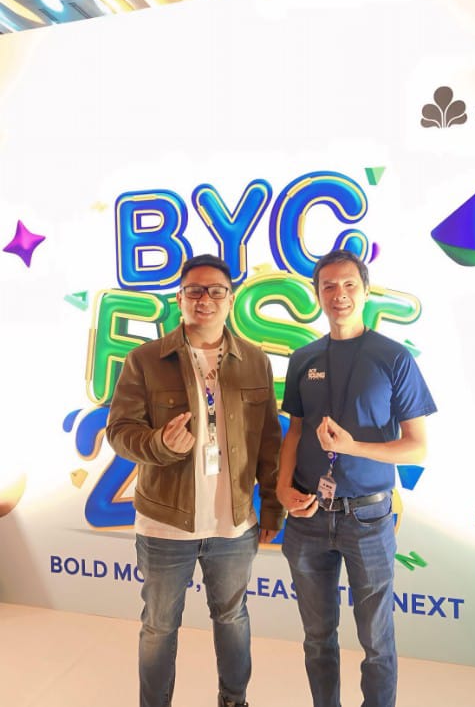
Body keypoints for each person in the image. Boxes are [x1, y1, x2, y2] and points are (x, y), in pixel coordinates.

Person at [106, 254, 284, 707]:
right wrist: (160, 444)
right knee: (159, 626)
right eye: (194, 290)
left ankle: (234, 700)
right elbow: (120, 432)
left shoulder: (255, 361)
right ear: (180, 298)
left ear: (231, 299)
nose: (205, 299)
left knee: (232, 618)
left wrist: (272, 507)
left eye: (215, 290)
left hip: (234, 524)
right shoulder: (145, 360)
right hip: (165, 524)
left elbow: (268, 441)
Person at [276, 249, 437, 707]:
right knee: (317, 637)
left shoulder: (393, 357)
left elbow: (417, 447)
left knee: (377, 641)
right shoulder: (304, 357)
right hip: (308, 516)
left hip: (367, 518)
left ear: (365, 292)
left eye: (349, 284)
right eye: (328, 285)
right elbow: (296, 431)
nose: (339, 294)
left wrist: (352, 447)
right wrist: (283, 487)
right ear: (317, 295)